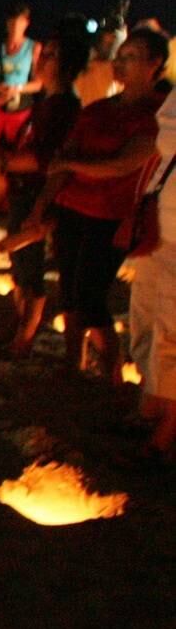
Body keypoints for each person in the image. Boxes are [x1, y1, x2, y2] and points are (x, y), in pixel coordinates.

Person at [7, 28, 166, 380]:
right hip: (72, 208)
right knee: (68, 291)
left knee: (90, 297)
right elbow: (61, 164)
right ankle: (73, 361)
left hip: (111, 215)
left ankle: (112, 371)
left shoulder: (157, 113)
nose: (120, 64)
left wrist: (71, 163)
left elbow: (124, 164)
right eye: (119, 57)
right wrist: (40, 207)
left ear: (154, 64)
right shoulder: (96, 110)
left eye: (131, 57)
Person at [0, 27, 87, 356]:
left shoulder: (64, 106)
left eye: (50, 55)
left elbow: (48, 158)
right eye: (43, 52)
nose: (40, 58)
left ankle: (25, 336)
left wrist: (7, 163)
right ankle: (19, 325)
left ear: (67, 66)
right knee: (20, 265)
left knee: (30, 267)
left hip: (38, 193)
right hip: (24, 190)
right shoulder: (46, 102)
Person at [127, 82, 176, 461]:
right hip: (159, 224)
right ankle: (152, 404)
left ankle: (166, 435)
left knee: (171, 332)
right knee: (144, 316)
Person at [0, 3, 42, 161]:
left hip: (20, 108)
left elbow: (39, 83)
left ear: (26, 23)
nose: (15, 27)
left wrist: (17, 88)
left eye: (19, 23)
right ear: (6, 24)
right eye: (12, 23)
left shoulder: (34, 48)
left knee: (20, 152)